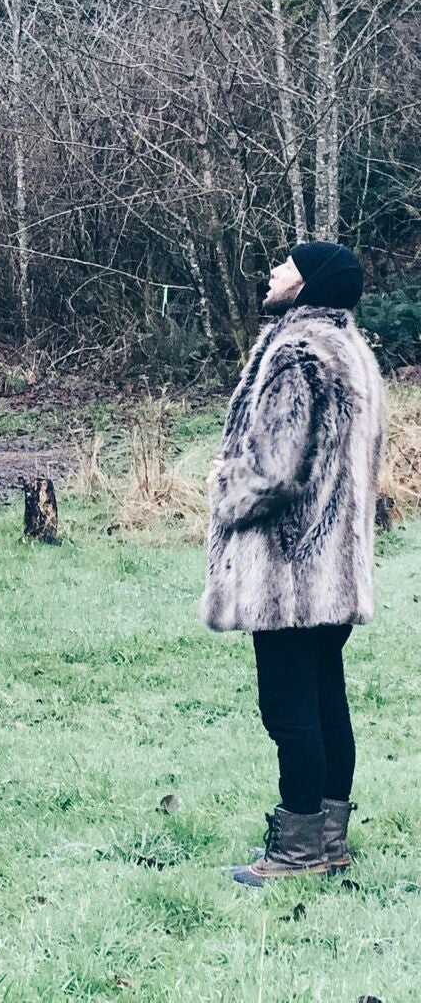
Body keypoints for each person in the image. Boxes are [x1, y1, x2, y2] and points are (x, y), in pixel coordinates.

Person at [202, 241, 385, 886]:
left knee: (289, 708)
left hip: (290, 569)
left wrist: (224, 486)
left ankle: (298, 851)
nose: (274, 270)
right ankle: (329, 841)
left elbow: (274, 469)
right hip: (334, 565)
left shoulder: (297, 351)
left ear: (307, 283)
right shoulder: (352, 352)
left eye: (287, 263)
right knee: (326, 698)